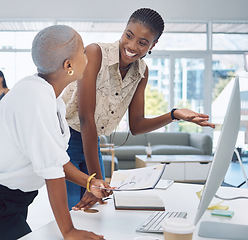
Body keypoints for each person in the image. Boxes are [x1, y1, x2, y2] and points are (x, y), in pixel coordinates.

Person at [62, 8, 215, 210]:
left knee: (94, 211)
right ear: (124, 30)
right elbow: (85, 119)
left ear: (153, 44)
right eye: (129, 36)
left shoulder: (142, 72)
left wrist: (173, 114)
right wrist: (96, 181)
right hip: (66, 140)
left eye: (143, 43)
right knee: (73, 211)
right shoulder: (95, 53)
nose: (132, 46)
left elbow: (137, 125)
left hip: (92, 142)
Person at [0, 25, 112, 240]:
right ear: (68, 65)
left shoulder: (51, 98)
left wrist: (90, 182)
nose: (86, 57)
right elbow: (52, 171)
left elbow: (57, 159)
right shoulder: (35, 96)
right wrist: (69, 231)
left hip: (14, 201)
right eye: (82, 51)